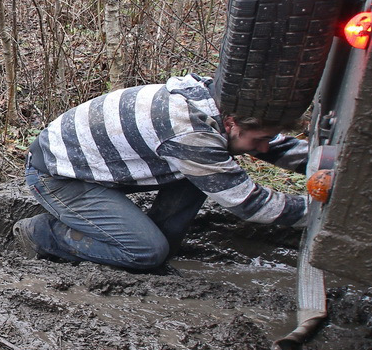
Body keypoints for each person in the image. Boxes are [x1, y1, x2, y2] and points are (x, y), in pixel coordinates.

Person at [16, 73, 309, 272]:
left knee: (206, 175)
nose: (262, 147)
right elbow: (249, 203)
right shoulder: (190, 132)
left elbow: (274, 145)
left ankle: (154, 241)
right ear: (231, 122)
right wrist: (319, 211)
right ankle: (43, 233)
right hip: (55, 175)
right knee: (147, 253)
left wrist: (329, 167)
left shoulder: (216, 104)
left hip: (95, 163)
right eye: (258, 140)